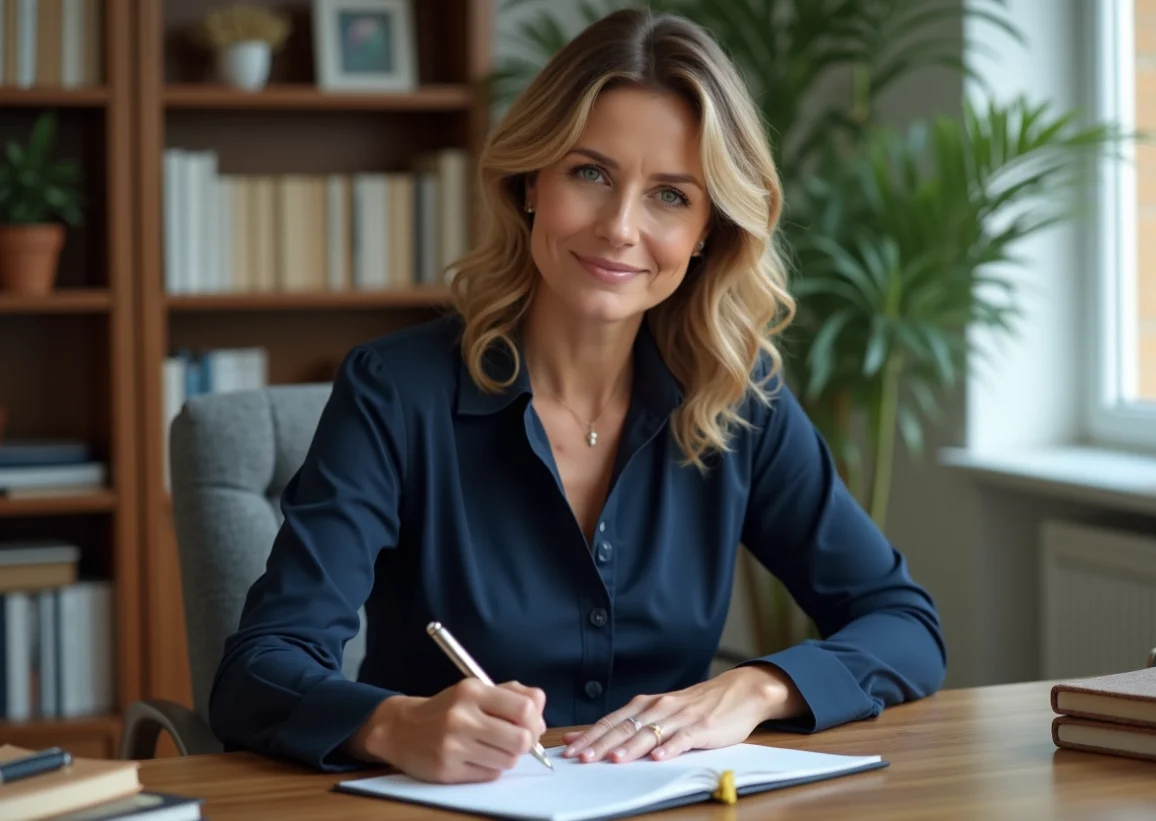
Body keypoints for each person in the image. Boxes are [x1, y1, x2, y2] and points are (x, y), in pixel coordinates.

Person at [207, 7, 946, 784]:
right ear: (532, 182)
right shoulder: (396, 391)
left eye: (670, 195)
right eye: (590, 173)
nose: (621, 227)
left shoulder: (738, 399)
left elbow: (905, 625)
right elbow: (258, 670)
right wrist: (393, 724)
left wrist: (754, 689)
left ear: (706, 233)